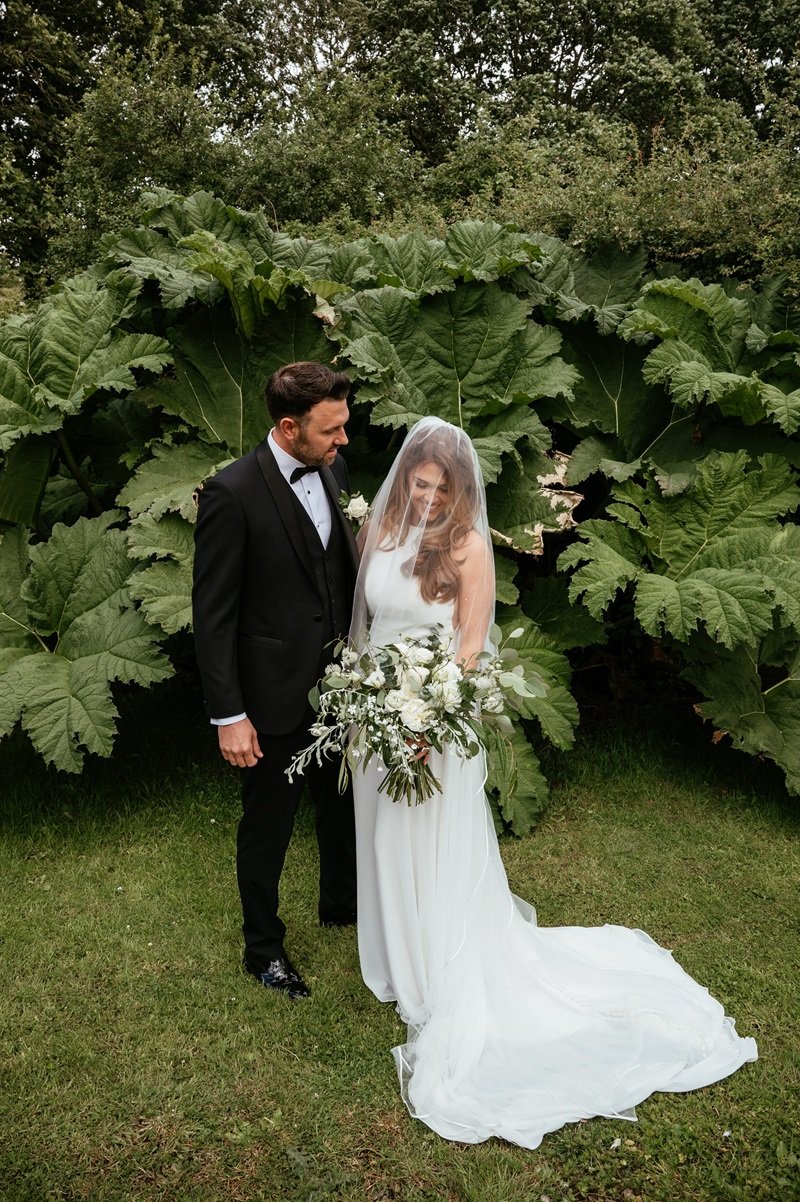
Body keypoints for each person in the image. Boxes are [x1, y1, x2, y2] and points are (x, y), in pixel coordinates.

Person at [350, 416, 757, 1148]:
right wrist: (366, 699)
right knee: (382, 835)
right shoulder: (378, 532)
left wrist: (430, 718)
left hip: (434, 713)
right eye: (420, 483)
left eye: (442, 487)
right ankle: (394, 958)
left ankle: (435, 968)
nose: (429, 497)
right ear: (404, 477)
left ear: (460, 489)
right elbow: (365, 624)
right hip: (379, 707)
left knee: (429, 839)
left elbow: (469, 648)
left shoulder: (468, 548)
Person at [192, 361, 359, 1000]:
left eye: (343, 426)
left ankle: (342, 906)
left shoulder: (334, 468)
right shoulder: (230, 493)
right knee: (269, 828)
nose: (343, 440)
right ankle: (263, 949)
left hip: (339, 687)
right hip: (270, 699)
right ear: (289, 427)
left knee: (341, 807)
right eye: (330, 430)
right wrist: (229, 715)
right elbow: (213, 616)